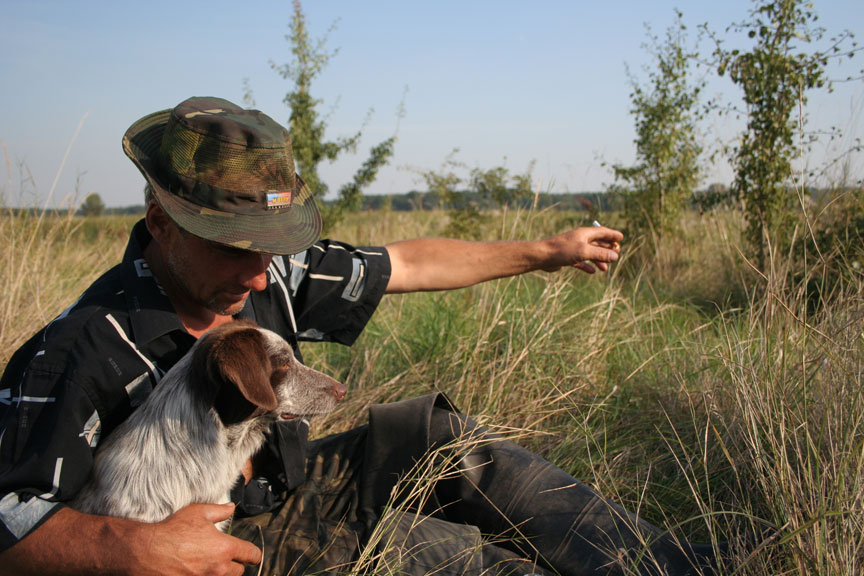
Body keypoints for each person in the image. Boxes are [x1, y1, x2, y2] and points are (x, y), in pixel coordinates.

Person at [0, 97, 717, 575]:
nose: (257, 275)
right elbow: (8, 517)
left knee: (458, 446)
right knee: (446, 559)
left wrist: (545, 251)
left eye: (268, 247)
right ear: (160, 222)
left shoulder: (271, 273)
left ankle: (682, 566)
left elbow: (407, 262)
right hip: (225, 548)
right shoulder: (82, 349)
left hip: (297, 480)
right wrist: (131, 550)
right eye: (231, 248)